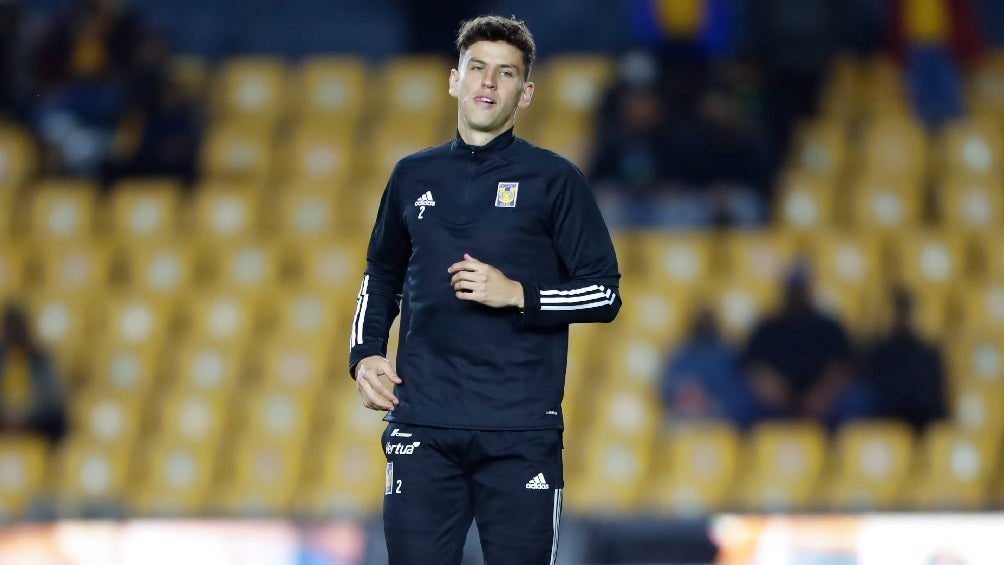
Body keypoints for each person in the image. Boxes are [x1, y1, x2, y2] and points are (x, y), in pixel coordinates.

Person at [348, 15, 622, 565]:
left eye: (505, 73)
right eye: (478, 69)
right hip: (423, 424)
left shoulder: (555, 180)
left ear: (526, 93)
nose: (488, 84)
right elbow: (380, 275)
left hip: (520, 433)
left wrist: (519, 293)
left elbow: (604, 293)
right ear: (455, 79)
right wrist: (365, 354)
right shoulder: (411, 176)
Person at [741, 263, 873, 430]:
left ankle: (846, 450)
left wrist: (825, 392)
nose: (796, 294)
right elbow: (750, 365)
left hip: (822, 399)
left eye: (800, 288)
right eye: (793, 288)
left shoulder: (828, 327)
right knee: (741, 401)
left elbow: (844, 364)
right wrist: (766, 384)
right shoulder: (768, 327)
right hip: (776, 401)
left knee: (858, 399)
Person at [861, 288, 947, 432]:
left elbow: (931, 405)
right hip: (879, 421)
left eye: (901, 312)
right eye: (892, 312)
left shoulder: (925, 354)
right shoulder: (873, 352)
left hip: (917, 422)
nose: (896, 318)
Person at [659, 307, 758, 429]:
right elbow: (667, 390)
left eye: (706, 320)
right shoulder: (680, 354)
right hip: (684, 421)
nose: (703, 324)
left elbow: (739, 397)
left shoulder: (728, 354)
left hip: (721, 420)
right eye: (700, 320)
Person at [0, 304, 66, 444]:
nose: (14, 335)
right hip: (4, 418)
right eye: (10, 329)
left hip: (34, 422)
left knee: (57, 420)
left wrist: (25, 417)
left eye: (18, 329)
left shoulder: (41, 359)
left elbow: (52, 398)